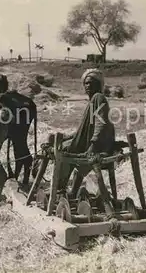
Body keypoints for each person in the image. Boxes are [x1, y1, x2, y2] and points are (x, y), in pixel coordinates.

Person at [58, 69, 116, 205]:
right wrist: (67, 137)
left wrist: (93, 145)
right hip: (95, 143)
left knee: (64, 153)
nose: (87, 86)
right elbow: (83, 131)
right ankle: (72, 191)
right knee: (67, 146)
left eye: (91, 83)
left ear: (98, 84)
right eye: (85, 84)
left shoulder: (98, 98)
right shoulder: (92, 102)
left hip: (100, 144)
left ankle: (60, 189)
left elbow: (100, 125)